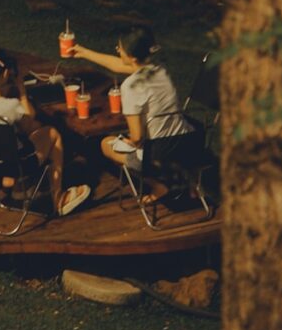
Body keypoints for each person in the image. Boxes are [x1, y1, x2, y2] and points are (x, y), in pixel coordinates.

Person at [70, 25, 192, 203]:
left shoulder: (131, 87)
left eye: (120, 49)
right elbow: (119, 65)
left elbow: (137, 137)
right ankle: (188, 178)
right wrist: (84, 52)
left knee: (106, 144)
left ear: (133, 58)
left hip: (159, 155)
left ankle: (158, 185)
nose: (118, 50)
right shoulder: (160, 68)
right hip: (186, 143)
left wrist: (128, 140)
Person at [0, 51, 91, 217]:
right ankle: (57, 197)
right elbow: (29, 119)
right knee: (52, 133)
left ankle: (18, 186)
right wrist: (21, 90)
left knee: (27, 133)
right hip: (13, 165)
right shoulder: (9, 107)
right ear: (5, 74)